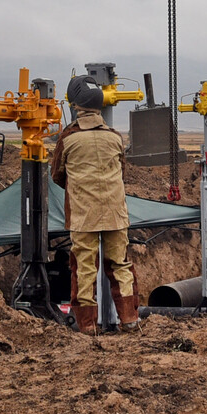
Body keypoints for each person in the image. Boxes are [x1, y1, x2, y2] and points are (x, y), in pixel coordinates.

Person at [52, 76, 137, 333]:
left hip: (83, 215)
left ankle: (88, 326)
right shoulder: (114, 137)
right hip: (115, 214)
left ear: (74, 105)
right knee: (120, 264)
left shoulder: (68, 138)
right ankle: (130, 320)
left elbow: (57, 175)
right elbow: (122, 172)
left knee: (84, 268)